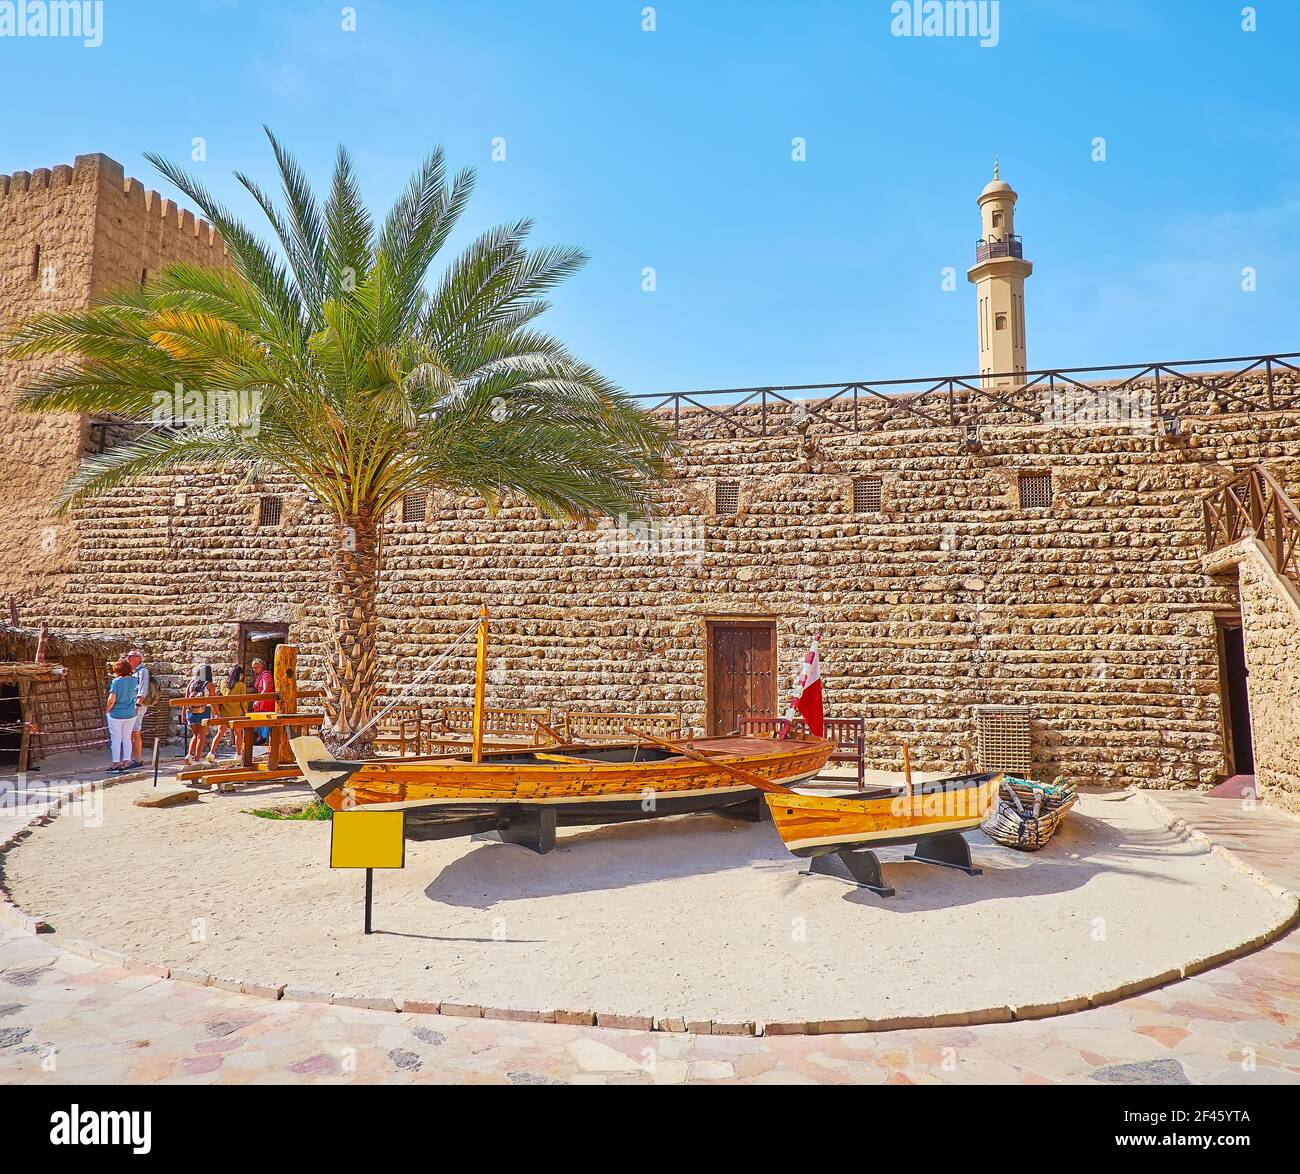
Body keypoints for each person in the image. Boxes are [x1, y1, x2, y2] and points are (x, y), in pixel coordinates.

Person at [205, 665, 249, 763]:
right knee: (238, 734)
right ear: (240, 675)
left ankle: (211, 753)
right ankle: (238, 755)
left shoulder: (223, 683)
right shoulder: (241, 685)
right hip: (236, 713)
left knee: (220, 733)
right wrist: (245, 712)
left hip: (224, 713)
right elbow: (243, 701)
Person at [105, 658, 139, 773]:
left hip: (116, 713)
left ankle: (116, 764)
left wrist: (107, 711)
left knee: (116, 739)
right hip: (130, 713)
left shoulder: (116, 682)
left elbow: (111, 699)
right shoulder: (134, 680)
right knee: (127, 738)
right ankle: (126, 762)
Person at [183, 664, 217, 766]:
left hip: (191, 711)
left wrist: (183, 713)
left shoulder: (191, 684)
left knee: (195, 735)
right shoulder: (209, 685)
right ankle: (197, 759)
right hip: (203, 711)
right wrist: (217, 714)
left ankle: (189, 756)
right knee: (201, 736)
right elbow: (214, 701)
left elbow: (186, 699)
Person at [126, 648, 150, 768]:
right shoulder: (132, 671)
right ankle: (132, 758)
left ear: (138, 658)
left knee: (135, 731)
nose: (128, 658)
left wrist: (138, 704)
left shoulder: (143, 671)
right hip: (131, 703)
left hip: (137, 704)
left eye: (130, 656)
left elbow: (143, 688)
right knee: (131, 731)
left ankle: (137, 759)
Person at [249, 656, 275, 745]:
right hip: (261, 699)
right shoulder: (258, 675)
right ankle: (261, 737)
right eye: (253, 668)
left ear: (261, 666)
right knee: (259, 719)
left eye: (256, 667)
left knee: (266, 720)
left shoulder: (266, 675)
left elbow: (265, 689)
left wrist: (258, 700)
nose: (254, 669)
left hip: (266, 700)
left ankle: (266, 738)